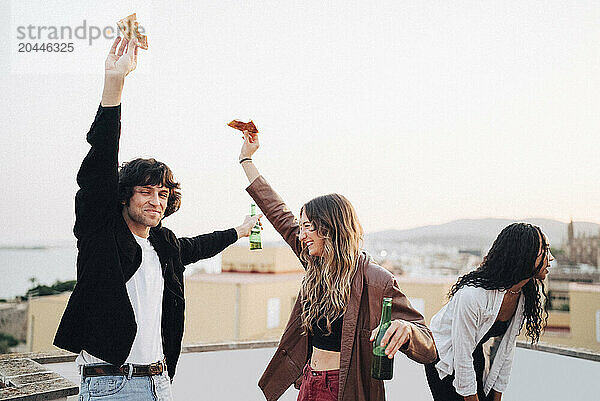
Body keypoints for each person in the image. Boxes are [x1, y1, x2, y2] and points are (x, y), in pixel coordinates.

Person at [53, 37, 260, 400]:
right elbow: (100, 163)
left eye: (162, 194)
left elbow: (198, 246)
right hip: (110, 384)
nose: (155, 200)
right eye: (145, 191)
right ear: (124, 194)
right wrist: (114, 85)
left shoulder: (163, 245)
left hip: (159, 382)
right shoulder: (100, 233)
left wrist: (241, 231)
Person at [235, 130, 437, 401]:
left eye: (308, 227)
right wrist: (246, 160)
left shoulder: (376, 279)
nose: (301, 234)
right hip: (309, 381)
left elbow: (428, 344)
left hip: (344, 389)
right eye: (301, 226)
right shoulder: (314, 262)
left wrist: (407, 330)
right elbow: (276, 211)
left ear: (330, 230)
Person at [424, 223, 553, 401]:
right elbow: (461, 356)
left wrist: (497, 395)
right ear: (524, 254)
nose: (551, 258)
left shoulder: (523, 295)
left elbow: (505, 350)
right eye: (544, 251)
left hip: (472, 352)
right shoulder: (472, 296)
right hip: (444, 356)